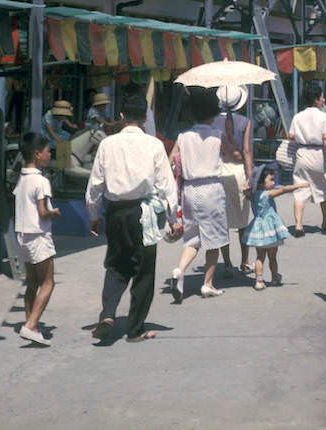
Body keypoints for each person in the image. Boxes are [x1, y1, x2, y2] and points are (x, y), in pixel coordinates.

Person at [86, 84, 180, 342]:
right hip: (145, 214)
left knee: (116, 265)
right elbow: (166, 185)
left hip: (116, 212)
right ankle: (135, 328)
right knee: (144, 271)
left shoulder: (108, 144)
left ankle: (107, 313)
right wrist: (174, 220)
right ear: (146, 118)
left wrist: (94, 214)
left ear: (122, 117)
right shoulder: (154, 145)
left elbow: (95, 184)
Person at [168, 87, 229, 302]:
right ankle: (207, 284)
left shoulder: (183, 136)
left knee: (192, 238)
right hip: (211, 188)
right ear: (213, 113)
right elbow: (235, 154)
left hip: (189, 190)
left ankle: (180, 270)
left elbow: (170, 161)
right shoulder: (218, 135)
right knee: (214, 240)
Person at [13, 133, 60, 346]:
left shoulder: (22, 178)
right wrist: (54, 213)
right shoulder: (41, 181)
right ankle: (31, 324)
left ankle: (30, 323)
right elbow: (42, 211)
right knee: (48, 283)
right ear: (37, 154)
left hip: (22, 235)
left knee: (32, 283)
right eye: (47, 151)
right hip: (39, 236)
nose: (50, 154)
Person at [243, 164, 309, 290]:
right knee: (272, 257)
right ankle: (274, 277)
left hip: (258, 230)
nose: (273, 183)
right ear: (261, 182)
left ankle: (259, 280)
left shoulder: (253, 194)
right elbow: (284, 190)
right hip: (270, 230)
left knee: (259, 257)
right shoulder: (268, 194)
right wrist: (299, 186)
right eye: (271, 180)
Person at [287, 81, 326, 235]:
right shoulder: (323, 117)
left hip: (302, 154)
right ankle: (325, 222)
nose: (324, 100)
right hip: (318, 155)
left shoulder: (297, 116)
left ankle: (298, 225)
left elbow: (291, 135)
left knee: (300, 190)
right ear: (316, 99)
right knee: (324, 189)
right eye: (322, 97)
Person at [216, 85, 253, 278]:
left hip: (219, 170)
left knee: (223, 221)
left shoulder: (213, 122)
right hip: (238, 171)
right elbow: (246, 151)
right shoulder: (245, 121)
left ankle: (227, 263)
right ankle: (245, 261)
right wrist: (250, 177)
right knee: (242, 220)